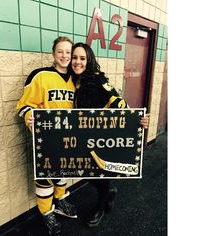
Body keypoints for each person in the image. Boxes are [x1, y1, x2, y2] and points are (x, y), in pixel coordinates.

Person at [68, 42, 150, 227]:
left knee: (99, 173)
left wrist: (136, 118)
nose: (77, 62)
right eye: (75, 57)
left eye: (82, 58)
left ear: (89, 60)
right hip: (83, 134)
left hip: (101, 135)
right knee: (86, 171)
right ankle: (109, 192)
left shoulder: (97, 79)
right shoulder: (73, 80)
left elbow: (116, 99)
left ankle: (100, 207)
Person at [17, 36, 77, 236]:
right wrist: (28, 115)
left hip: (68, 137)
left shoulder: (77, 78)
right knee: (45, 176)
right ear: (53, 54)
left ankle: (60, 199)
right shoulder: (40, 76)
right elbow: (24, 105)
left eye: (68, 52)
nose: (64, 56)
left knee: (63, 171)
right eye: (60, 51)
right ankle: (46, 211)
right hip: (46, 137)